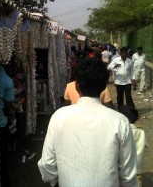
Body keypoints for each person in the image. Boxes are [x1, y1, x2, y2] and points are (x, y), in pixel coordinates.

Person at [38, 58, 139, 187]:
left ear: (76, 85)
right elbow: (128, 175)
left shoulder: (58, 117)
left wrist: (55, 181)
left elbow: (47, 164)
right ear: (104, 86)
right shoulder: (120, 122)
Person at [118, 106, 148, 187]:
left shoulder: (120, 133)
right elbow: (146, 145)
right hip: (138, 168)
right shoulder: (141, 132)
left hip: (123, 169)